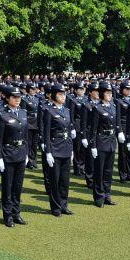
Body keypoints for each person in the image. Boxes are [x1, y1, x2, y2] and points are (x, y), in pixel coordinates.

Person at [0, 86, 29, 227]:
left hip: (20, 153)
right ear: (7, 98)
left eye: (19, 97)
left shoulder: (23, 113)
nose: (17, 100)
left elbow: (26, 135)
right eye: (14, 97)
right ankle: (7, 215)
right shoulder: (2, 115)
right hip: (7, 154)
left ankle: (16, 213)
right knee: (7, 187)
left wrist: (26, 153)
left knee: (18, 186)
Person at [42, 83, 75, 217]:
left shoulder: (66, 110)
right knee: (55, 180)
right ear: (54, 95)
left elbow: (68, 130)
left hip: (66, 147)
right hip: (55, 148)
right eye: (60, 94)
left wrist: (72, 149)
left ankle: (64, 205)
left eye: (64, 94)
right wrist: (48, 152)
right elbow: (46, 133)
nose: (63, 96)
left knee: (65, 180)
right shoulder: (48, 111)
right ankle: (55, 207)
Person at [89, 81, 118, 207]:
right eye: (107, 93)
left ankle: (107, 195)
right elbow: (93, 129)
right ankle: (99, 197)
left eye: (111, 93)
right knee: (99, 171)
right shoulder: (96, 108)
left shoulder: (113, 106)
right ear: (101, 94)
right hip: (101, 141)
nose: (110, 95)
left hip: (111, 141)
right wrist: (93, 145)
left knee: (108, 171)